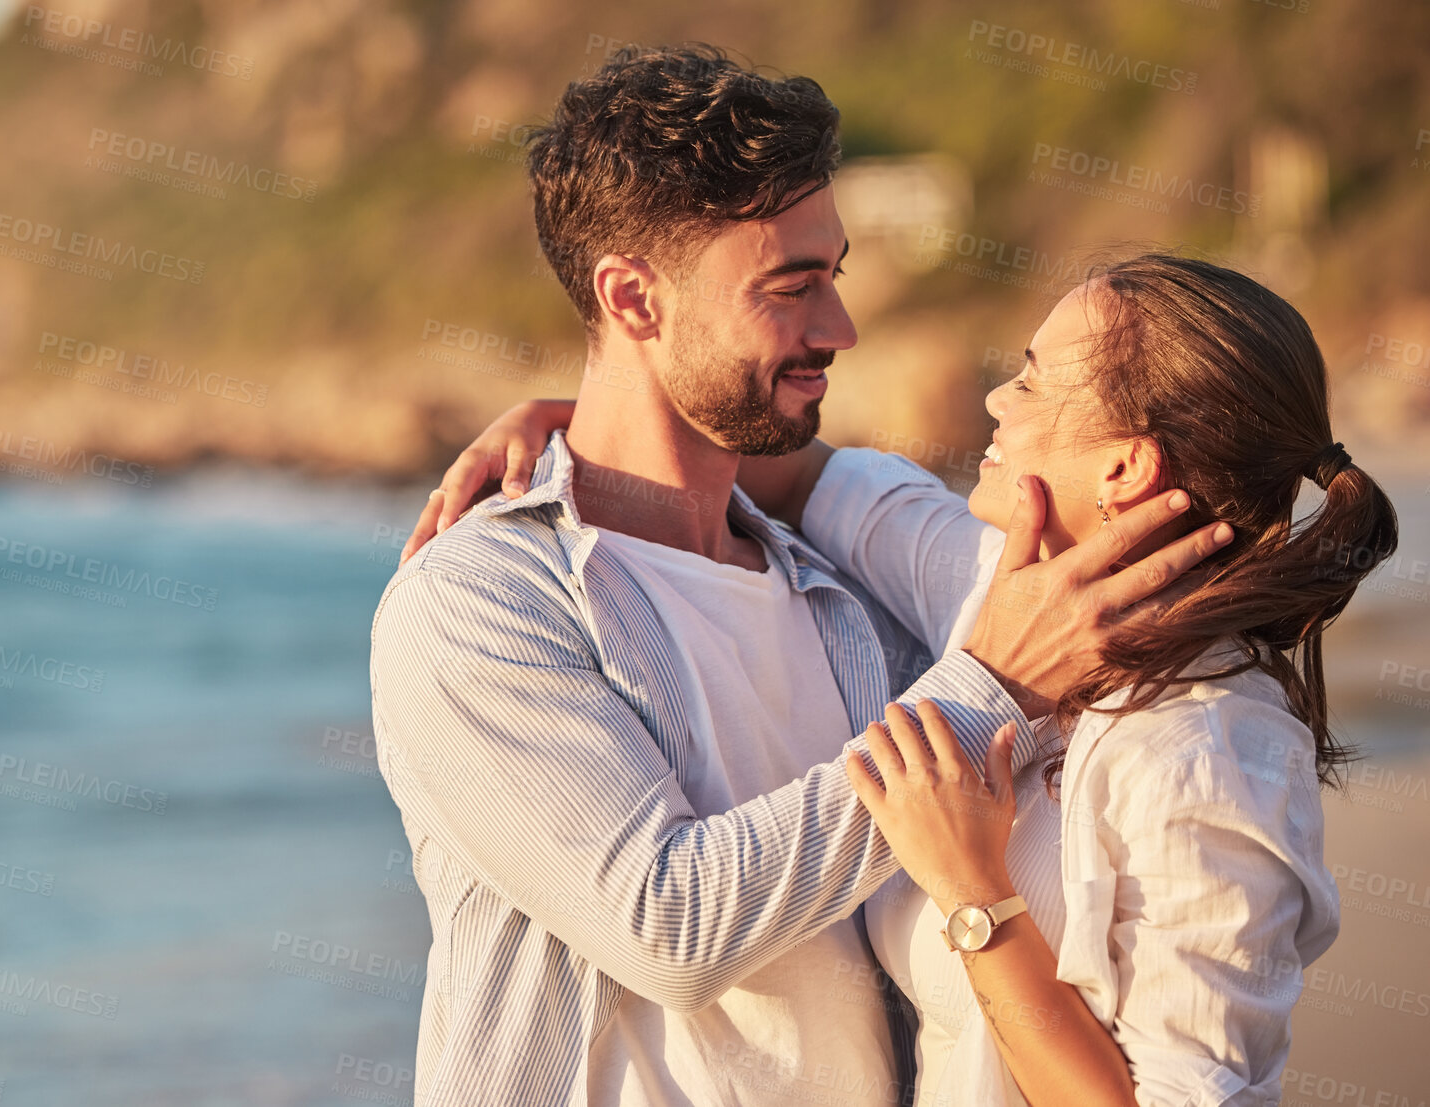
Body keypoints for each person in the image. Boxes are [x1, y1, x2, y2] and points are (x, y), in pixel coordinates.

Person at [369, 43, 1229, 1107]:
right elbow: (667, 926)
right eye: (791, 286)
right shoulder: (478, 600)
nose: (840, 328)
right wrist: (989, 687)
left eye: (835, 275)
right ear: (632, 300)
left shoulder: (839, 582)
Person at [416, 253, 1399, 1105]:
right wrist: (597, 423)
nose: (994, 401)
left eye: (1030, 378)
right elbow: (803, 478)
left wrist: (977, 898)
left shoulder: (1211, 742)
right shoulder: (982, 582)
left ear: (1126, 471)